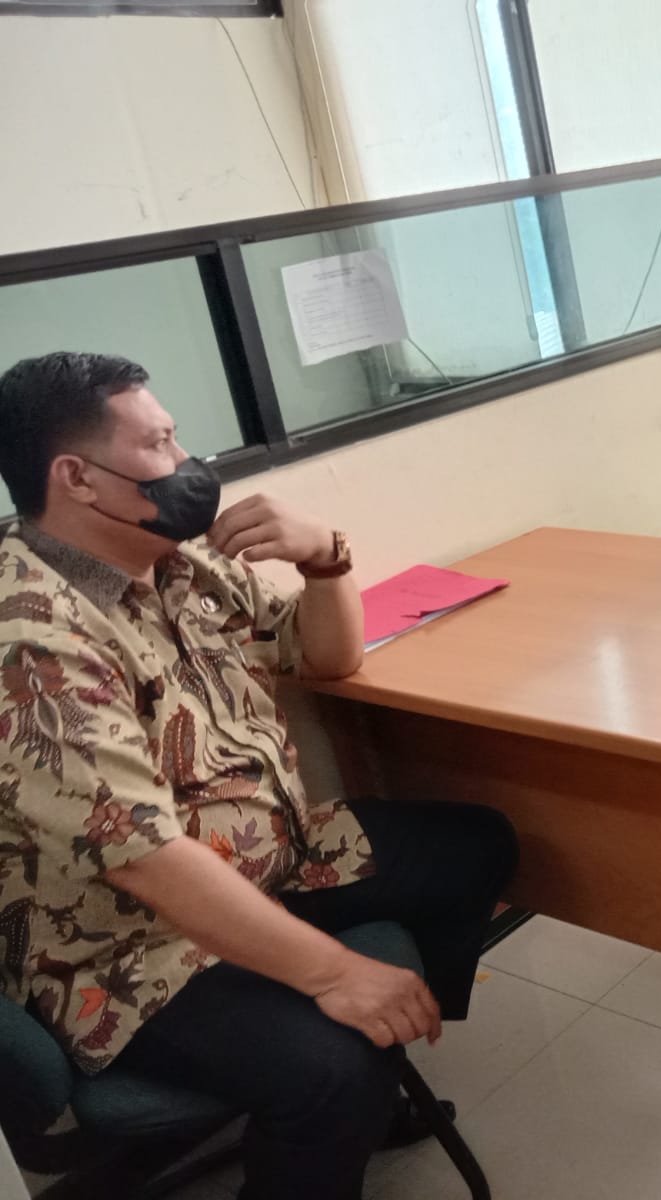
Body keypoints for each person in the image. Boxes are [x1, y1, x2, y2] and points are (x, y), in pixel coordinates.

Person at [0, 353, 518, 1200]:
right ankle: (344, 1098)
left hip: (272, 859)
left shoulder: (173, 560)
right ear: (77, 479)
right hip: (126, 945)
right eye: (160, 444)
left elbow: (327, 657)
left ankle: (374, 1084)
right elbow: (146, 860)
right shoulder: (31, 639)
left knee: (472, 847)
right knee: (332, 1070)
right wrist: (336, 974)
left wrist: (326, 559)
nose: (186, 462)